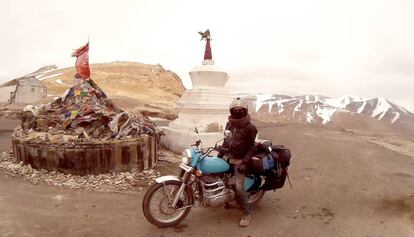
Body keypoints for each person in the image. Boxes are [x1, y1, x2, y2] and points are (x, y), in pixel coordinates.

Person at [220, 97, 258, 227]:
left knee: (239, 187)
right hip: (228, 157)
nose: (237, 111)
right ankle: (226, 197)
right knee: (218, 177)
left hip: (240, 159)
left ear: (244, 111)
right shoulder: (229, 124)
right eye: (234, 109)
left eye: (239, 109)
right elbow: (226, 140)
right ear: (231, 111)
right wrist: (220, 154)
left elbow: (253, 147)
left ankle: (247, 213)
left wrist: (244, 163)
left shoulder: (250, 127)